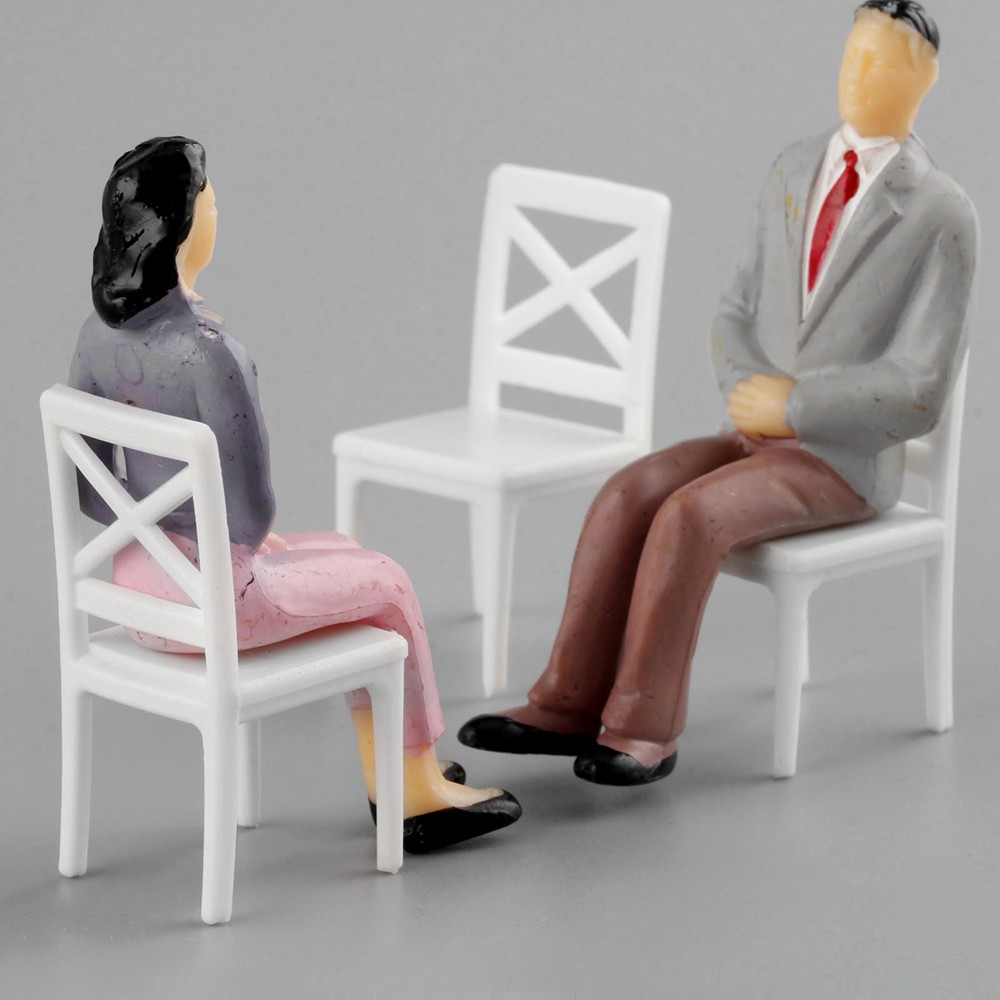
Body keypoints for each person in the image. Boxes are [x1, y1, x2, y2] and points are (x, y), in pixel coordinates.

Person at [459, 1, 977, 786]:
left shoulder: (942, 213)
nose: (855, 74)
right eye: (851, 54)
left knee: (691, 515)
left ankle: (643, 727)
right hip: (754, 435)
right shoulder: (793, 167)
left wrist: (794, 407)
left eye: (880, 62)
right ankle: (565, 699)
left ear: (925, 79)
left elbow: (921, 388)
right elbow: (735, 307)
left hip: (844, 460)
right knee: (631, 491)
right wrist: (746, 392)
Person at [70, 136, 521, 851]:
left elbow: (91, 492)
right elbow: (252, 515)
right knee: (389, 584)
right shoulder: (213, 354)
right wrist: (223, 535)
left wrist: (180, 525)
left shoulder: (97, 335)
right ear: (181, 225)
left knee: (339, 548)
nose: (218, 212)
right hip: (214, 601)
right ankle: (413, 791)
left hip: (138, 588)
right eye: (210, 201)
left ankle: (402, 766)